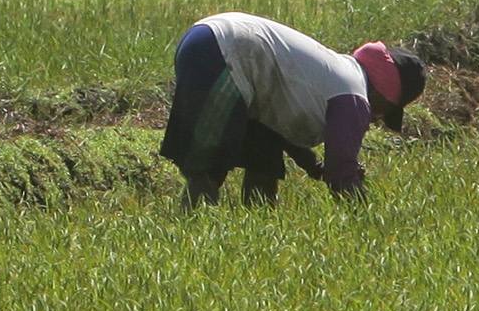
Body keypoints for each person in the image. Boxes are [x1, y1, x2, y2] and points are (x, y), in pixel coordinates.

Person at [162, 12, 425, 205]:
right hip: (225, 50)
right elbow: (341, 171)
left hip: (210, 38)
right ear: (385, 92)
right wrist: (364, 216)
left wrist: (315, 166)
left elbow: (284, 127)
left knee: (265, 156)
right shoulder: (353, 96)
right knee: (208, 166)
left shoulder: (336, 73)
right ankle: (189, 231)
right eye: (385, 111)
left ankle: (257, 228)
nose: (377, 119)